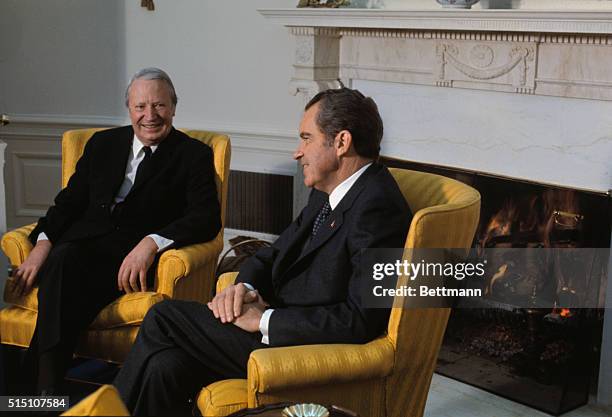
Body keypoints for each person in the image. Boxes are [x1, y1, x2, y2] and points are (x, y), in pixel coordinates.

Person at [114, 87, 412, 415]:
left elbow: (361, 319)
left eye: (306, 138)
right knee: (164, 366)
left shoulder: (378, 206)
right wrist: (245, 288)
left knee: (162, 315)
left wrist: (264, 320)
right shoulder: (329, 192)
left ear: (341, 142)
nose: (298, 152)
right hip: (274, 325)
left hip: (297, 349)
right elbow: (273, 253)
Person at [10, 67, 221, 395]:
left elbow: (206, 218)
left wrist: (151, 242)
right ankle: (43, 393)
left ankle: (33, 391)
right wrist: (41, 243)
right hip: (78, 251)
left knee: (63, 272)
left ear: (174, 108)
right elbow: (68, 204)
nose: (149, 115)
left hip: (127, 264)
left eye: (159, 106)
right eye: (140, 107)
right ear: (129, 109)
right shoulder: (102, 144)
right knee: (64, 264)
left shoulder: (193, 155)